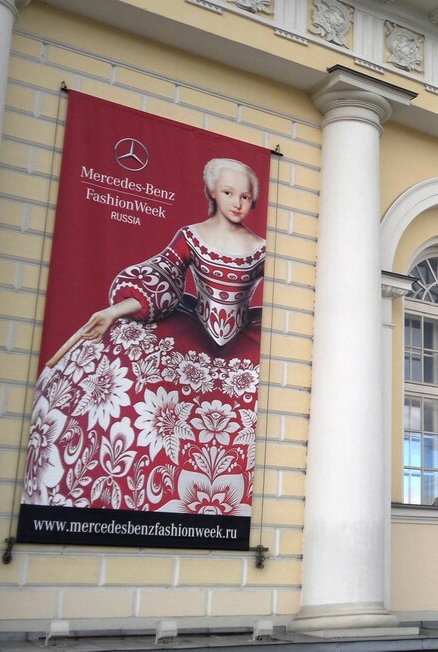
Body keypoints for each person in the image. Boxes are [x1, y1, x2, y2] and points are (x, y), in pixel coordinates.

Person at [21, 158, 266, 515]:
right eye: (229, 193)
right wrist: (113, 312)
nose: (237, 203)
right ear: (212, 192)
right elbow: (162, 274)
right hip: (192, 330)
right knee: (132, 377)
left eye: (244, 196)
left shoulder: (261, 246)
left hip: (244, 339)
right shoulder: (191, 236)